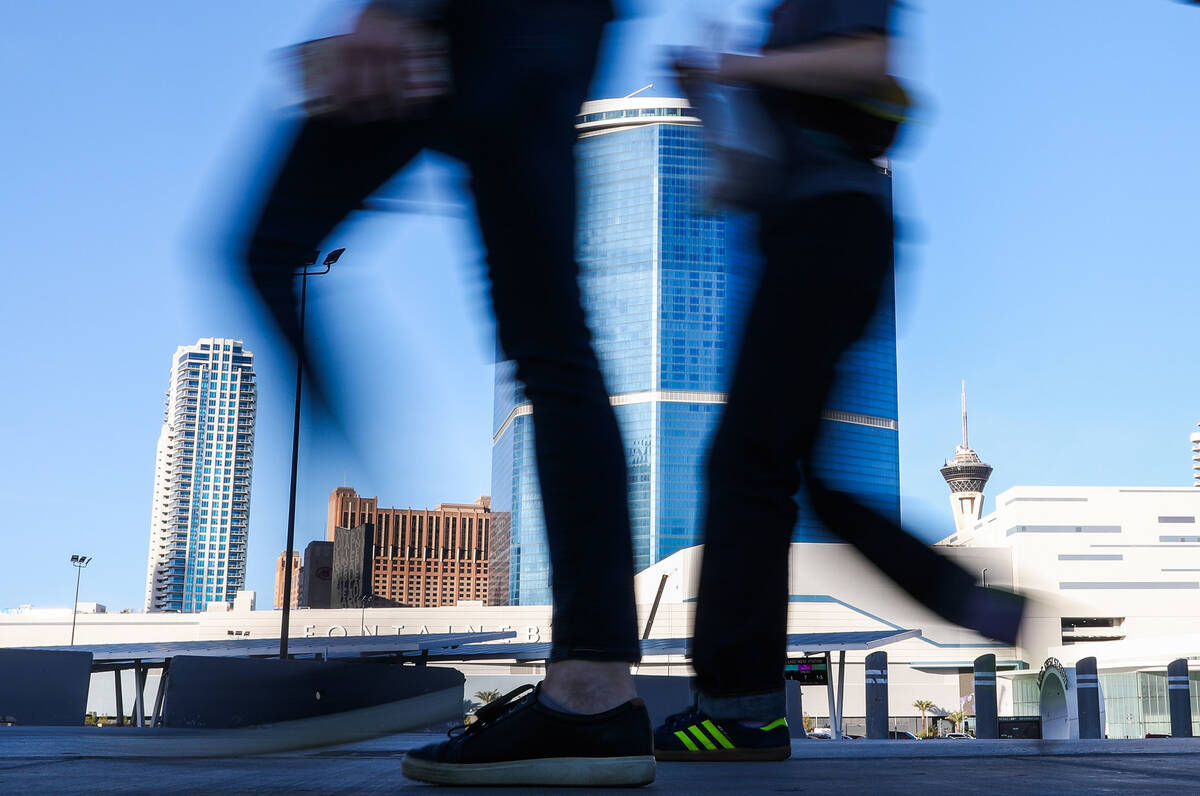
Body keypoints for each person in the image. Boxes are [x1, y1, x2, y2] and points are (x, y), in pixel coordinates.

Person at [237, 0, 654, 787]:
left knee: (265, 248)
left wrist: (395, 10)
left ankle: (335, 554)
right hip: (562, 32)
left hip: (481, 27)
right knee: (555, 352)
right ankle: (595, 689)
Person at [652, 0, 1025, 761]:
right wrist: (709, 106)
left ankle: (741, 711)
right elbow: (742, 177)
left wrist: (737, 70)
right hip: (802, 237)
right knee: (796, 476)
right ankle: (973, 600)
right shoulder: (776, 24)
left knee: (746, 467)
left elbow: (869, 61)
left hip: (832, 233)